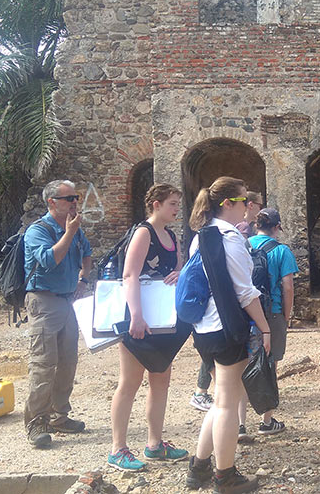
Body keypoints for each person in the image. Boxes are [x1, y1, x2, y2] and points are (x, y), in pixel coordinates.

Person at [185, 177, 271, 493]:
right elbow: (245, 292)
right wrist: (264, 328)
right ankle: (225, 476)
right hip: (226, 328)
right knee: (226, 404)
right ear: (228, 204)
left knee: (221, 400)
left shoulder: (200, 235)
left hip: (204, 328)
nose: (249, 207)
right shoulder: (230, 237)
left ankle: (199, 467)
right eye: (244, 200)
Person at [107, 184, 191, 471]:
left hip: (164, 322)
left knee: (160, 380)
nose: (177, 209)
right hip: (138, 319)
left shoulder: (172, 237)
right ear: (155, 204)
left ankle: (155, 444)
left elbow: (178, 269)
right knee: (129, 382)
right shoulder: (143, 232)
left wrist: (181, 273)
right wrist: (136, 317)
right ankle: (118, 448)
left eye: (178, 203)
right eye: (172, 203)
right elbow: (129, 275)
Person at [22, 179, 93, 448]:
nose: (75, 202)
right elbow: (51, 259)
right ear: (52, 202)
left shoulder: (74, 230)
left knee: (68, 361)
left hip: (67, 301)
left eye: (76, 197)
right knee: (43, 364)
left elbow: (86, 253)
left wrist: (83, 280)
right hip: (44, 301)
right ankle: (36, 422)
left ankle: (59, 415)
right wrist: (70, 232)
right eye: (68, 198)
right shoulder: (37, 231)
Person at [248, 208, 299, 435]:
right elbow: (288, 287)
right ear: (277, 227)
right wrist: (286, 317)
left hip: (246, 312)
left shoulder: (243, 245)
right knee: (270, 365)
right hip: (273, 312)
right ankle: (267, 420)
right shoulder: (282, 251)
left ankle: (239, 423)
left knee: (242, 365)